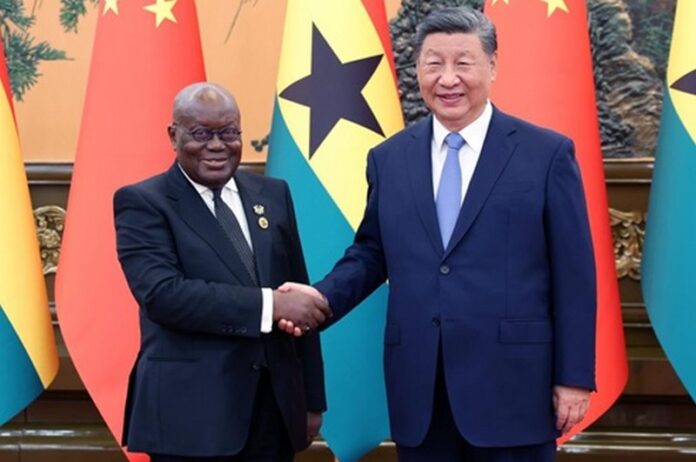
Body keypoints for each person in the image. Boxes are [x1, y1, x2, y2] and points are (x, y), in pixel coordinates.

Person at [279, 7, 596, 462]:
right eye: (434, 64)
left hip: (513, 388)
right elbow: (371, 252)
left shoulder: (545, 154)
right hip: (421, 391)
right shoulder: (389, 159)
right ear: (417, 72)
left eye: (463, 63)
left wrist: (574, 376)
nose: (448, 79)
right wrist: (319, 299)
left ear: (492, 66)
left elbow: (574, 275)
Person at [114, 82, 331, 462]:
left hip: (273, 412)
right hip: (192, 418)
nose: (217, 145)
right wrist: (270, 306)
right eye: (200, 133)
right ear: (173, 135)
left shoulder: (273, 195)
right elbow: (164, 296)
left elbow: (298, 294)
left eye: (229, 132)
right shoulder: (143, 202)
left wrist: (311, 398)